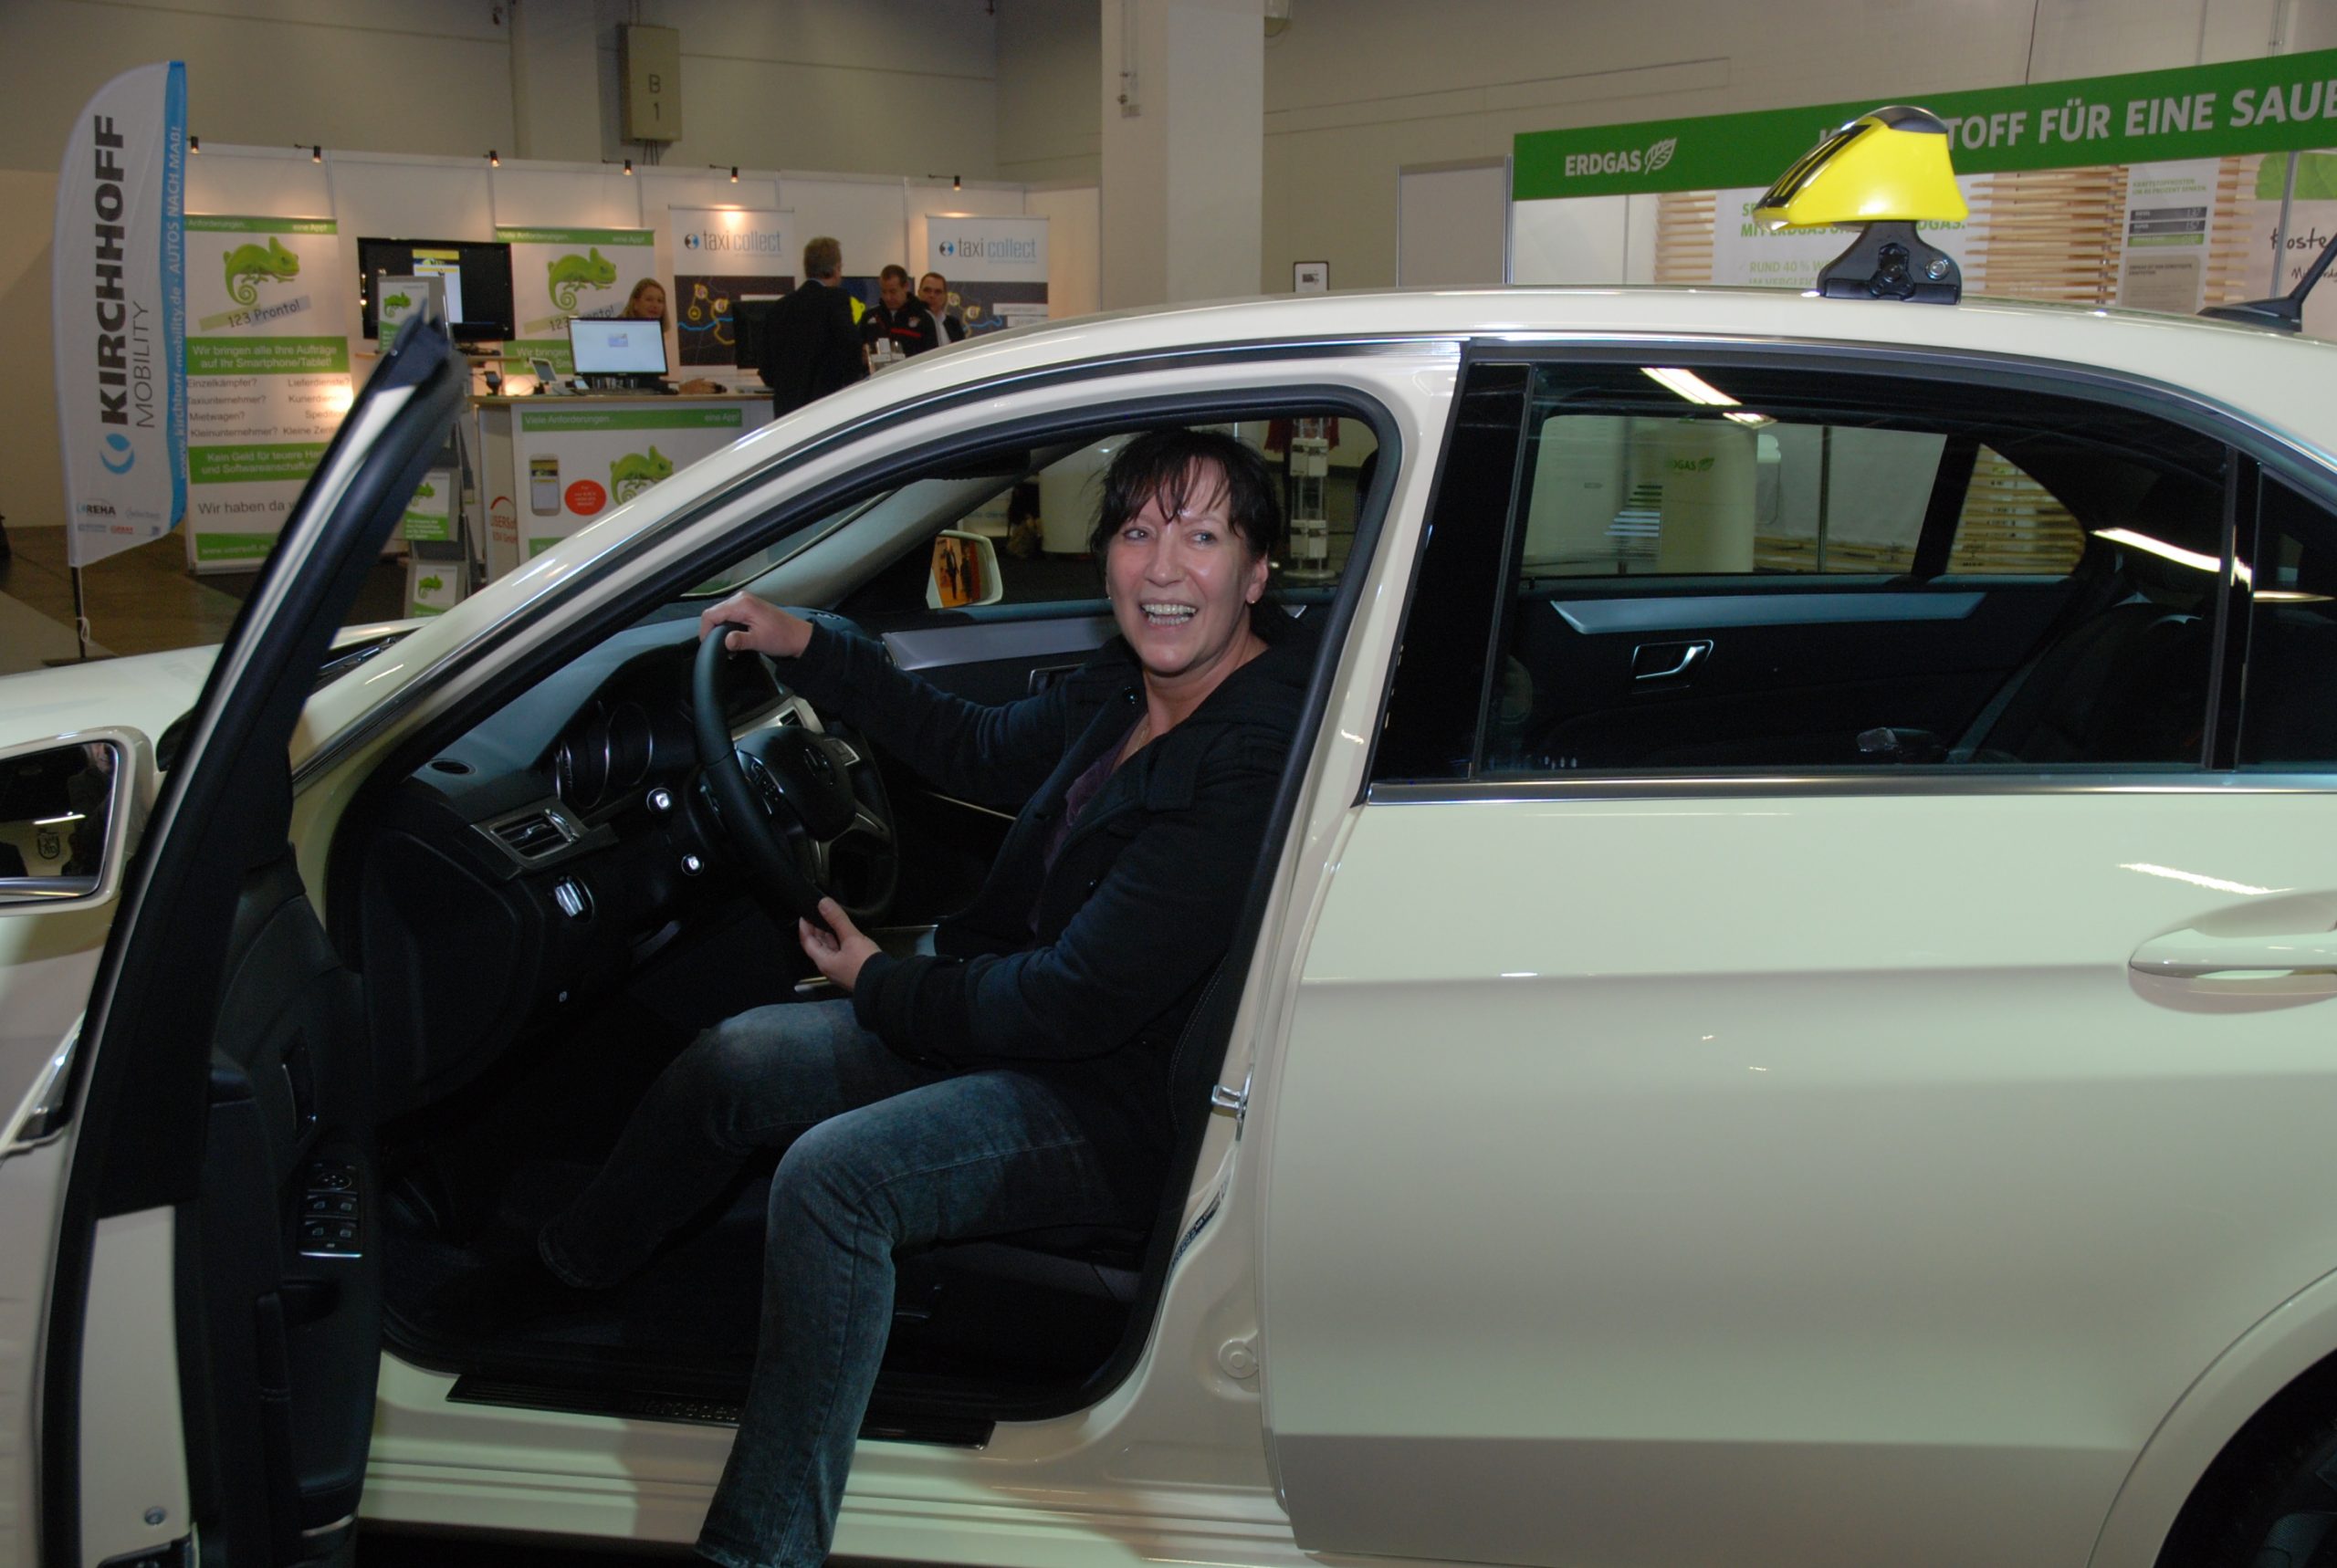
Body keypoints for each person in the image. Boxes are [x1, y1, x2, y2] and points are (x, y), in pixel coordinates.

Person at [534, 427, 1309, 1568]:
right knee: (735, 1059)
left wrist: (884, 983)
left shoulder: (1252, 752)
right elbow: (975, 746)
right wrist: (813, 646)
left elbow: (1072, 1004)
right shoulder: (1130, 687)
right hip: (1024, 1029)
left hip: (1111, 1101)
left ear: (1255, 572)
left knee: (833, 1180)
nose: (1160, 567)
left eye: (1201, 537)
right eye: (1137, 531)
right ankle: (567, 1268)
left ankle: (761, 1547)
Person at [757, 236, 868, 416]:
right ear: (837, 268)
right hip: (825, 409)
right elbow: (851, 349)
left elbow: (767, 370)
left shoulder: (778, 308)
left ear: (806, 268)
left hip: (787, 413)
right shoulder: (836, 300)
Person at [860, 264, 945, 361]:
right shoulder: (869, 317)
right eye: (884, 292)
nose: (888, 297)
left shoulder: (924, 317)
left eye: (893, 292)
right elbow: (856, 356)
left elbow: (934, 358)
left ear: (906, 286)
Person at [917, 271, 967, 343]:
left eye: (938, 292)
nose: (932, 295)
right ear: (919, 293)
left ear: (945, 296)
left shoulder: (954, 324)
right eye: (927, 290)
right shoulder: (910, 324)